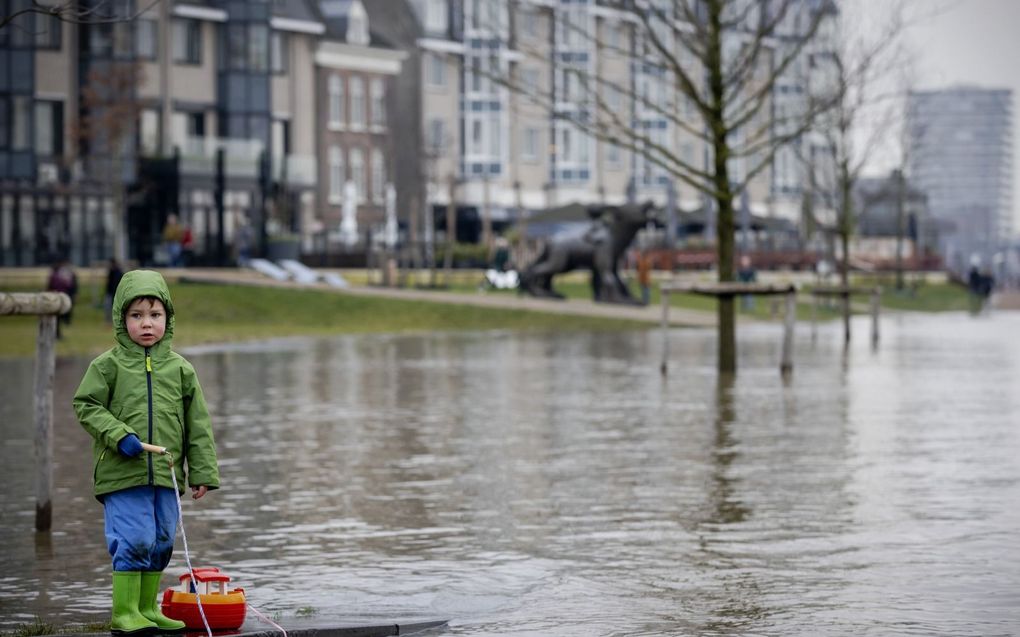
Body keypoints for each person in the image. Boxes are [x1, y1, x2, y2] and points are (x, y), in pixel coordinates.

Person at [72, 270, 220, 636]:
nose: (147, 324)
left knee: (161, 541)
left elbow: (198, 425)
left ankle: (148, 609)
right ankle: (124, 613)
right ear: (122, 321)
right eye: (136, 316)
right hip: (123, 473)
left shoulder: (182, 370)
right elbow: (86, 405)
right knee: (135, 539)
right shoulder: (107, 366)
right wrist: (119, 434)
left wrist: (201, 471)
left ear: (168, 319)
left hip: (166, 476)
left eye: (155, 315)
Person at [47, 258, 78, 339]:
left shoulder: (54, 276)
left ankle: (55, 334)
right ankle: (56, 334)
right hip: (59, 298)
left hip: (54, 297)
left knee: (56, 318)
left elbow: (49, 286)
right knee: (57, 318)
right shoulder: (59, 277)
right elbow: (68, 285)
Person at [104, 258, 124, 324]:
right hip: (109, 293)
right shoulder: (110, 272)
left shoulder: (119, 272)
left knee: (116, 309)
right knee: (107, 308)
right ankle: (108, 322)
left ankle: (117, 322)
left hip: (116, 294)